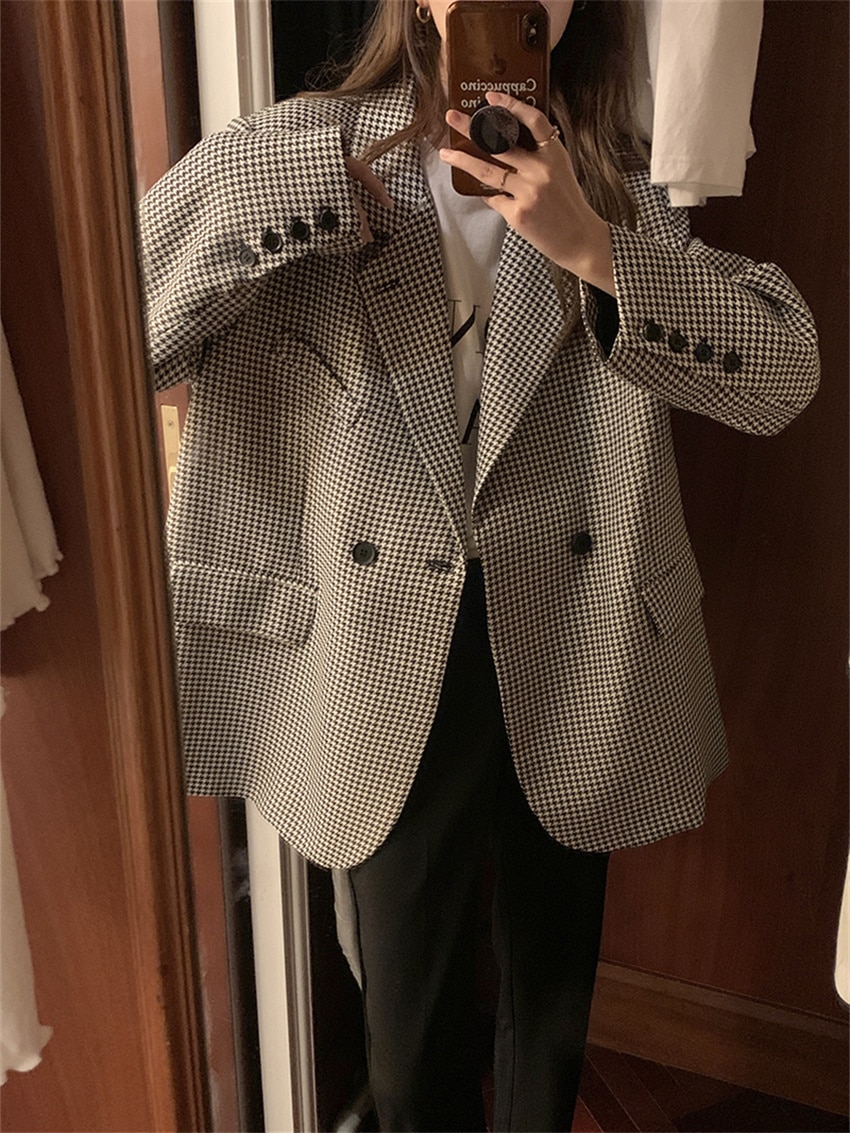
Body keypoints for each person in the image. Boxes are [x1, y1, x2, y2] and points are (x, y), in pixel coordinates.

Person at [140, 1, 819, 1128]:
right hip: (374, 643)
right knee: (405, 1020)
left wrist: (593, 250)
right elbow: (122, 327)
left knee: (550, 996)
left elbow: (782, 373)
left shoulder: (623, 176)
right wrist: (315, 173)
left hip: (577, 629)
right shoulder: (295, 152)